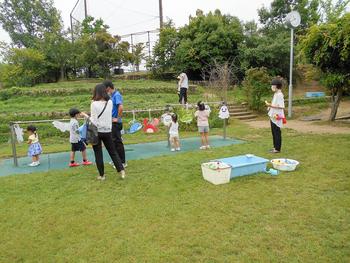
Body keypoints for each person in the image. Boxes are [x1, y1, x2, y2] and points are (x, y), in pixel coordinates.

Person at [81, 84, 126, 180]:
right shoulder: (109, 102)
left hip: (97, 132)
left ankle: (102, 175)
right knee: (113, 152)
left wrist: (85, 115)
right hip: (108, 131)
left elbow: (94, 120)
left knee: (98, 154)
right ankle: (121, 171)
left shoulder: (94, 104)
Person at [103, 80, 127, 168]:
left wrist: (118, 118)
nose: (104, 90)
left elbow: (121, 107)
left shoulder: (117, 95)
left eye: (104, 88)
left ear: (108, 87)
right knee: (114, 142)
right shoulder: (112, 95)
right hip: (112, 123)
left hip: (116, 123)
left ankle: (123, 162)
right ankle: (117, 161)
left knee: (118, 142)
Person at [265, 78, 285, 153]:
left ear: (276, 86)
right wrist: (270, 106)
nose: (272, 87)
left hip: (277, 116)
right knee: (273, 132)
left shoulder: (279, 95)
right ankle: (275, 147)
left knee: (276, 132)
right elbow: (275, 104)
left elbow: (282, 106)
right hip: (273, 115)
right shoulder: (276, 94)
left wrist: (270, 105)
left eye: (273, 86)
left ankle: (277, 148)